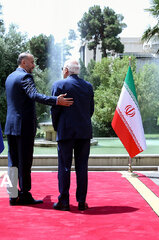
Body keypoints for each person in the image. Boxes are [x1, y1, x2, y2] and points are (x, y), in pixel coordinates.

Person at [5, 52, 73, 206]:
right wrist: (56, 100)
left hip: (11, 125)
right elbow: (34, 95)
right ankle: (24, 194)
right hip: (23, 126)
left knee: (13, 161)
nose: (34, 65)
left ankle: (12, 195)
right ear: (23, 62)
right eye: (32, 62)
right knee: (25, 161)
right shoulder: (25, 77)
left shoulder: (10, 77)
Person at [51, 59, 94, 211]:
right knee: (82, 167)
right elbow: (90, 110)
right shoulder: (88, 86)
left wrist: (57, 127)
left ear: (67, 70)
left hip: (66, 132)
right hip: (84, 132)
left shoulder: (59, 85)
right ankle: (81, 201)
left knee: (64, 167)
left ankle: (64, 201)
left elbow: (54, 110)